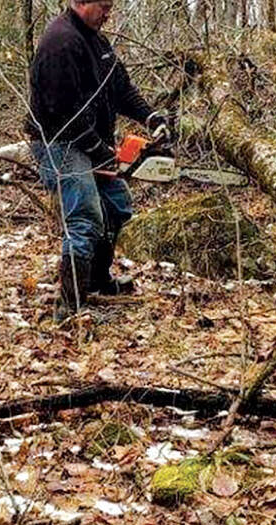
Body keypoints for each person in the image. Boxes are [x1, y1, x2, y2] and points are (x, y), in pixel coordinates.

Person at [26, 0, 169, 317]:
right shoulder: (59, 43)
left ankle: (98, 279)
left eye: (110, 6)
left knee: (117, 207)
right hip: (60, 144)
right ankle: (70, 305)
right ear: (79, 2)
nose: (108, 13)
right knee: (85, 217)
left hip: (91, 142)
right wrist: (99, 149)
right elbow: (62, 111)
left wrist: (152, 117)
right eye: (103, 6)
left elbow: (119, 88)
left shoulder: (97, 41)